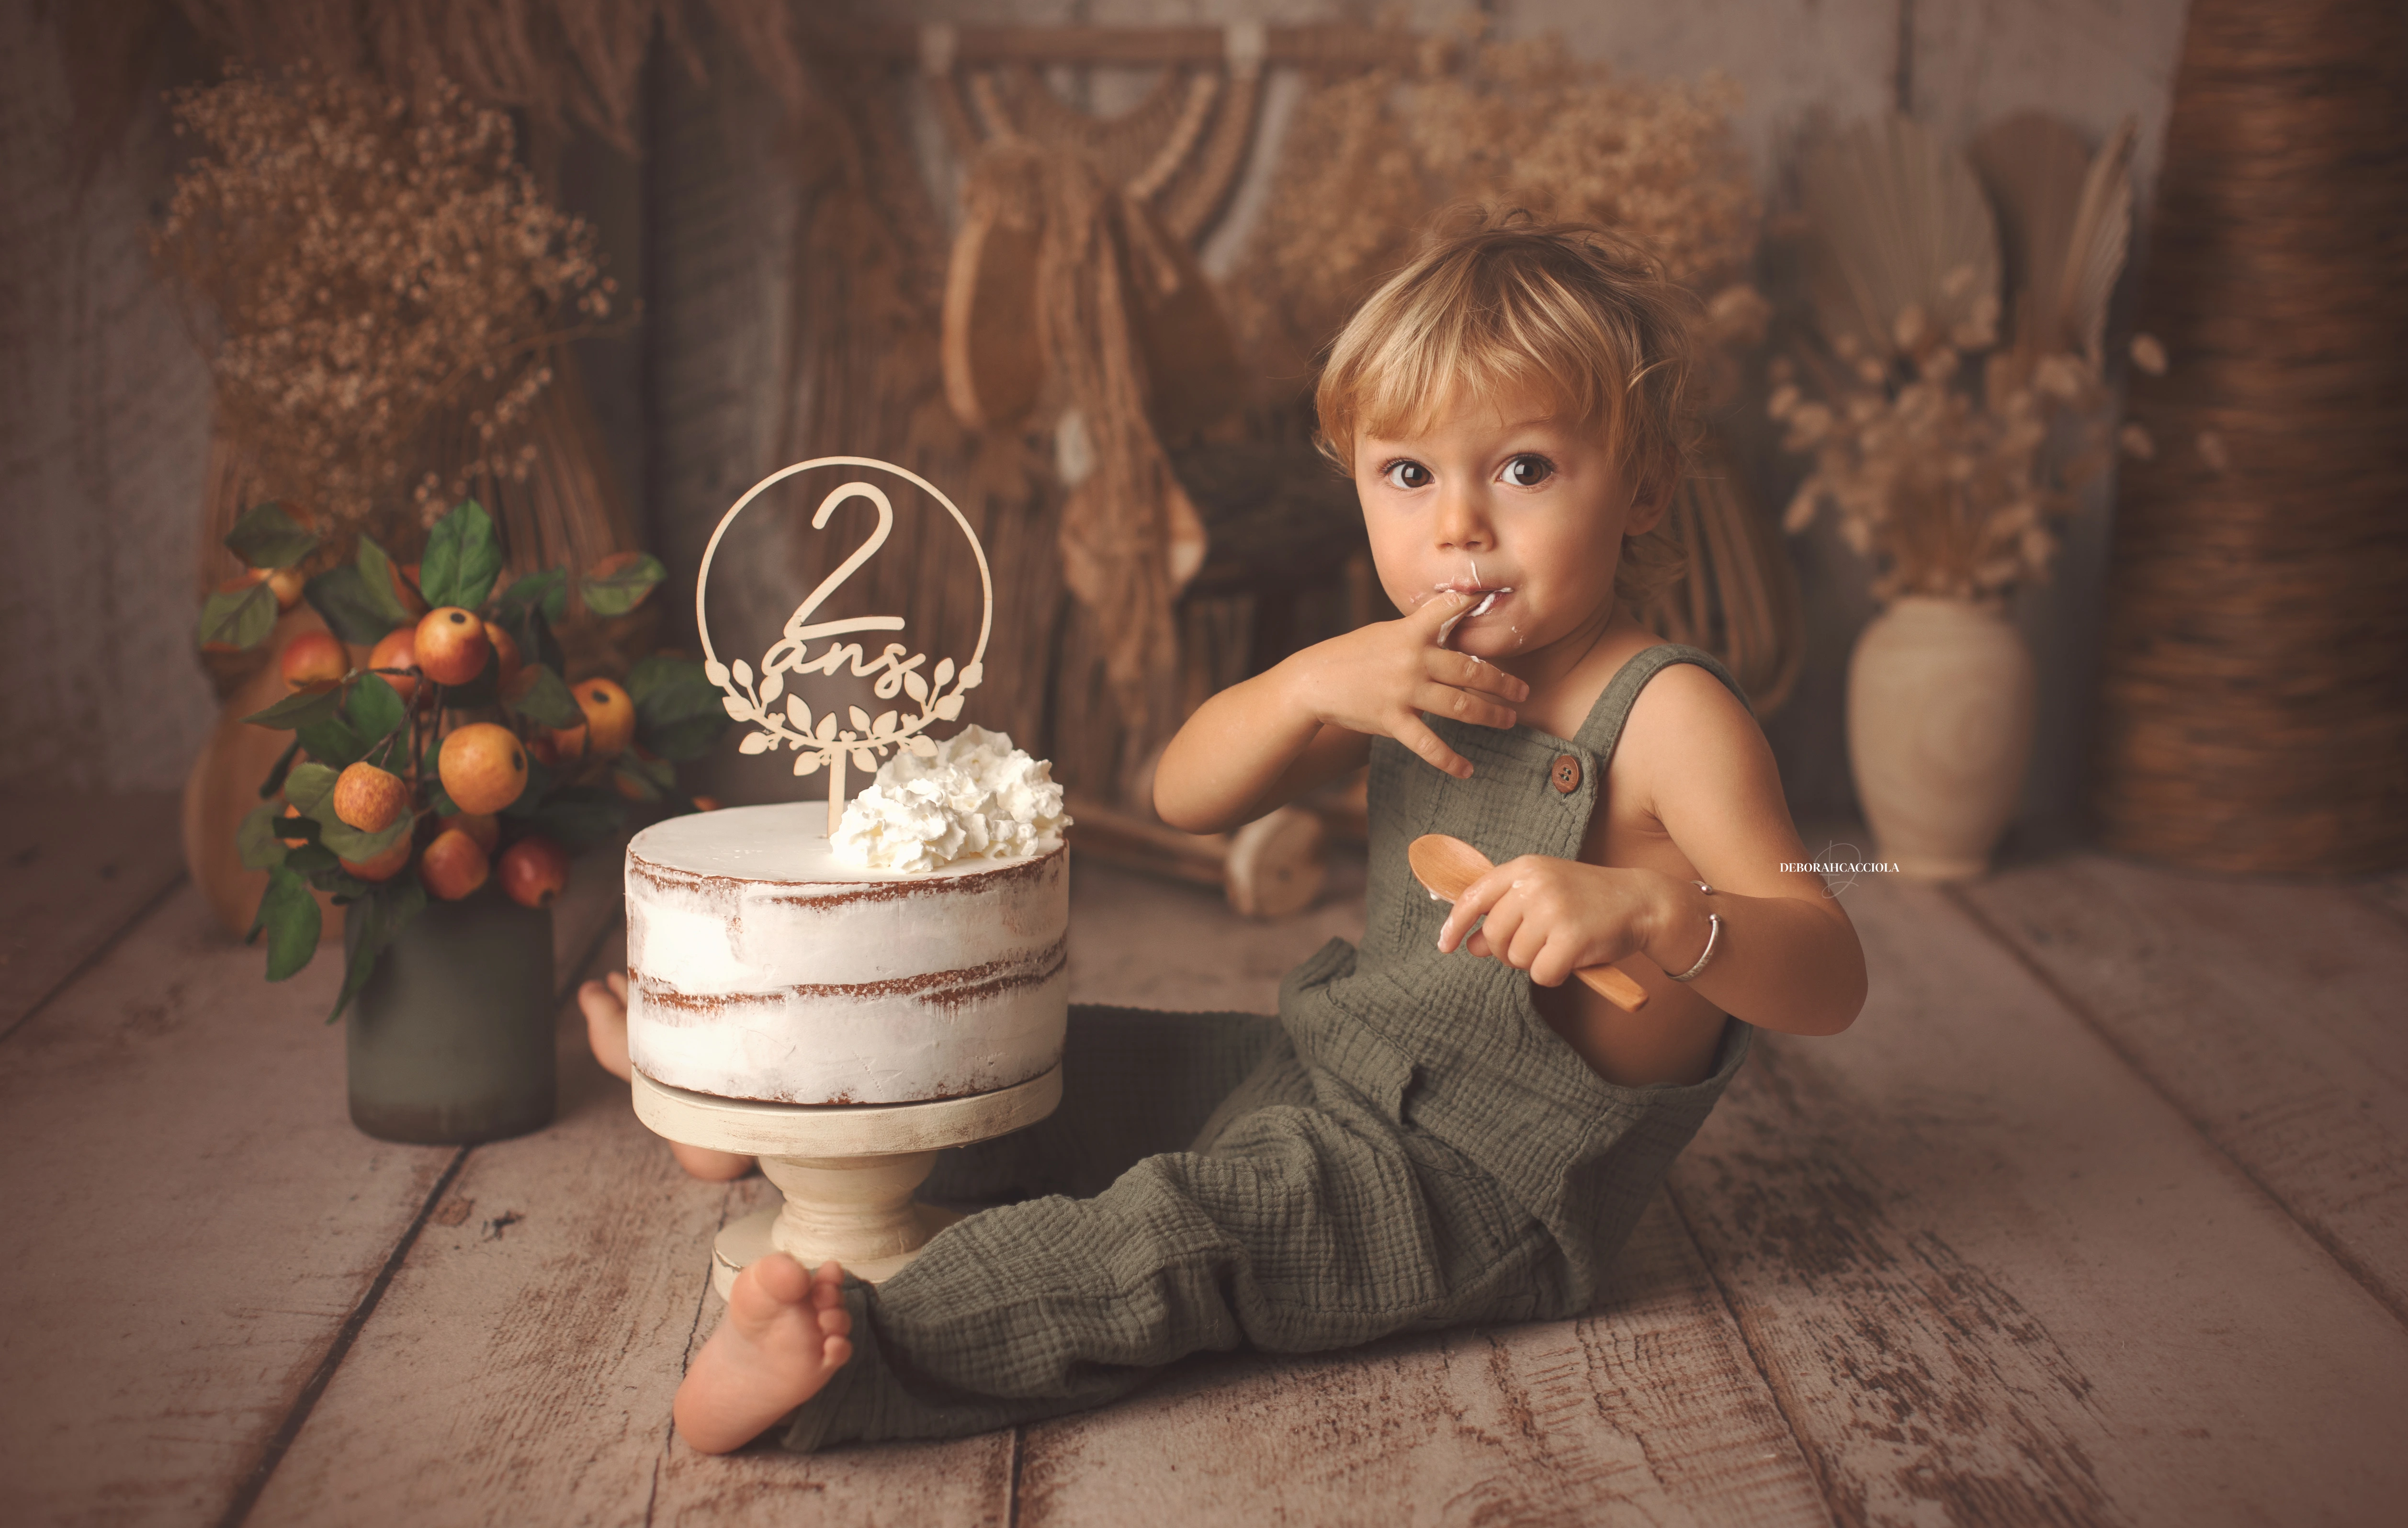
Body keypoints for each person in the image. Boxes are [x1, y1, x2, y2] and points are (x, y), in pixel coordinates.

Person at [581, 213, 1869, 1455]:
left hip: (1476, 1183)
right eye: (1407, 475)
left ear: (1642, 487)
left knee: (1173, 1234)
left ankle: (846, 1364)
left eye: (1523, 469)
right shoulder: (1411, 668)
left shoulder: (1669, 718)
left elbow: (1829, 967)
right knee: (1037, 1060)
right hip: (1326, 1066)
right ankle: (773, 1128)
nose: (1457, 526)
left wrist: (1660, 913)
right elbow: (1182, 794)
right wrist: (1309, 685)